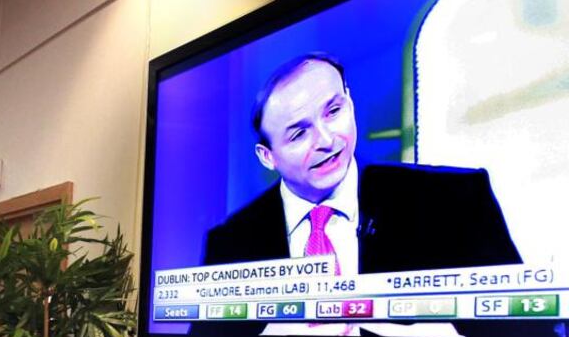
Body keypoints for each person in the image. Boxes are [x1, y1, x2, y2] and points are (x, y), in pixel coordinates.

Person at [204, 53, 521, 274]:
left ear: (350, 102)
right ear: (267, 156)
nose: (327, 140)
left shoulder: (456, 201)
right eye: (300, 133)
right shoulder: (230, 243)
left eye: (333, 111)